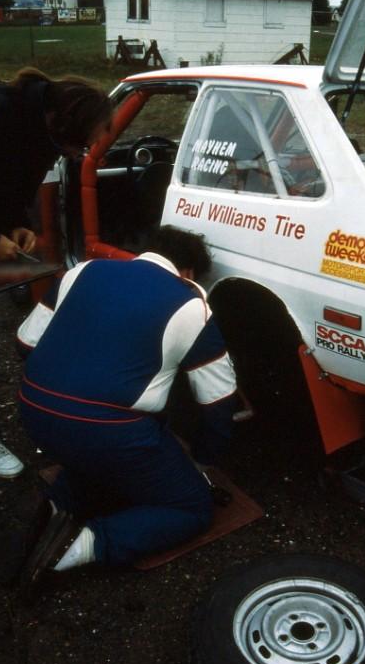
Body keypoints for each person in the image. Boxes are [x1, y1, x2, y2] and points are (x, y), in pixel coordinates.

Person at [18, 226, 237, 600]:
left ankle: (57, 503)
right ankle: (81, 548)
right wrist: (202, 462)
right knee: (191, 508)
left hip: (34, 409)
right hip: (108, 433)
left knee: (101, 456)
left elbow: (25, 342)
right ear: (187, 272)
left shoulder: (82, 271)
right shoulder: (192, 304)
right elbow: (219, 404)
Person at [0, 67, 112, 479]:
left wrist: (14, 224)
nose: (78, 156)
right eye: (79, 147)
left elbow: (8, 186)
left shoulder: (41, 134)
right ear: (61, 122)